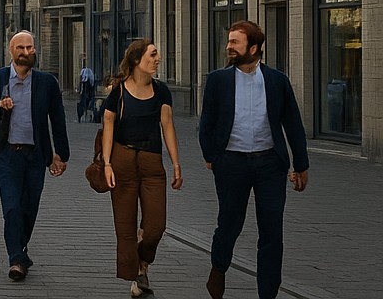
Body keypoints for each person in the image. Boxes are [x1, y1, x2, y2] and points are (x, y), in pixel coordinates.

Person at [198, 20, 309, 299]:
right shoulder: (218, 80)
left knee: (272, 232)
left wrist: (301, 164)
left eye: (235, 42)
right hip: (231, 164)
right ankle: (219, 266)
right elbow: (207, 123)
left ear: (254, 48)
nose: (229, 47)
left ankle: (267, 293)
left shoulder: (276, 81)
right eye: (229, 42)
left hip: (270, 164)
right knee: (229, 224)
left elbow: (293, 123)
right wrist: (212, 156)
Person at [0, 30, 70, 282]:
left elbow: (58, 119)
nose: (28, 52)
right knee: (12, 207)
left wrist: (60, 154)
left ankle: (21, 247)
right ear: (12, 51)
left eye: (31, 47)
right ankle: (16, 259)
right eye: (22, 48)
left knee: (30, 207)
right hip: (7, 154)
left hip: (35, 155)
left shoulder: (47, 83)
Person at [101, 39, 183, 298]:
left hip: (151, 163)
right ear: (137, 60)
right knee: (125, 227)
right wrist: (107, 164)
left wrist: (176, 163)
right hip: (122, 160)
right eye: (153, 55)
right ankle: (138, 274)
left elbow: (167, 125)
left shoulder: (162, 91)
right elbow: (108, 125)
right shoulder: (119, 92)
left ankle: (144, 259)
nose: (157, 59)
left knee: (155, 226)